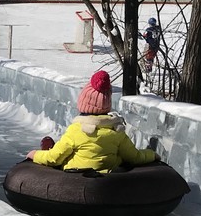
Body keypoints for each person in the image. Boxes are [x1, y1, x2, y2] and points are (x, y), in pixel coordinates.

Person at [26, 70, 158, 173]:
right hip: (108, 178)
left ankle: (47, 147)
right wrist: (152, 155)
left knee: (58, 154)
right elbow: (134, 157)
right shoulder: (116, 131)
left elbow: (54, 158)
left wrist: (35, 155)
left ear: (83, 104)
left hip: (74, 179)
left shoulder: (76, 130)